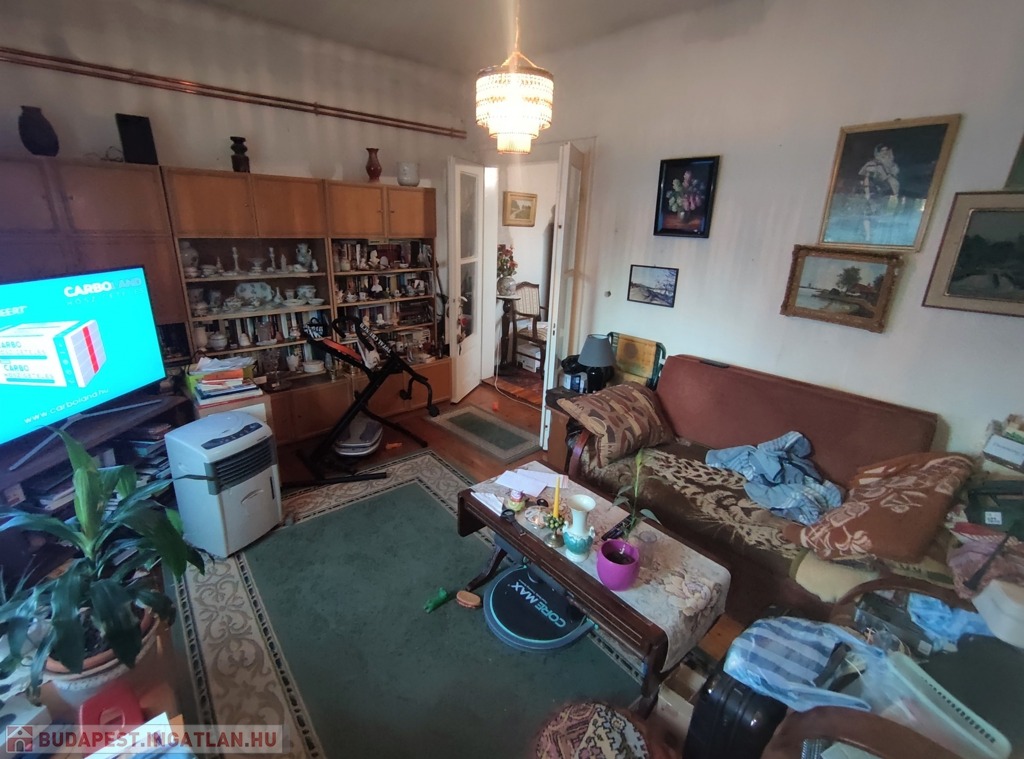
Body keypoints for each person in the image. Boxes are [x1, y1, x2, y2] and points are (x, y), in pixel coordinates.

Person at [858, 143, 900, 241]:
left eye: (887, 151)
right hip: (873, 192)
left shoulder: (893, 166)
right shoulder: (872, 165)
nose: (885, 154)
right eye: (882, 151)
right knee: (868, 213)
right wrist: (868, 193)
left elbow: (894, 180)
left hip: (886, 194)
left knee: (882, 214)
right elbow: (866, 179)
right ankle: (868, 235)